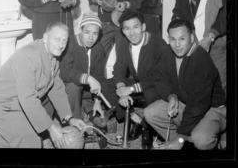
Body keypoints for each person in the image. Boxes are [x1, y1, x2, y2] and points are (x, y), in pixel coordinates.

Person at [0, 22, 86, 148]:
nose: (61, 45)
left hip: (16, 102)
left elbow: (56, 89)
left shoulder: (53, 58)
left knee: (6, 138)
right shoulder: (29, 55)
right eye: (57, 39)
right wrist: (51, 127)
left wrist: (69, 118)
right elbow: (28, 98)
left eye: (64, 40)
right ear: (46, 38)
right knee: (31, 141)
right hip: (1, 105)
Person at [144, 19, 226, 150]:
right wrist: (171, 96)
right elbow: (160, 78)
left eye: (182, 39)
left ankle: (195, 142)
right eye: (172, 39)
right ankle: (180, 144)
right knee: (150, 112)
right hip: (187, 105)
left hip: (212, 110)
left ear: (192, 37)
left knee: (201, 139)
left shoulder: (202, 59)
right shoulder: (168, 53)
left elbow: (199, 103)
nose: (177, 44)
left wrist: (181, 136)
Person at [101, 9, 167, 149]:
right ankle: (136, 119)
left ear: (143, 27)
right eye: (127, 28)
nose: (131, 33)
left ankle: (147, 128)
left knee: (151, 93)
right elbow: (118, 70)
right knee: (105, 86)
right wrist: (120, 89)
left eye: (136, 27)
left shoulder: (158, 44)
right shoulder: (124, 43)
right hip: (138, 83)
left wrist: (130, 89)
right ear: (122, 31)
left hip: (157, 84)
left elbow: (158, 78)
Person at [59, 13, 107, 129]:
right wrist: (87, 78)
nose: (91, 38)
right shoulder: (69, 43)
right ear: (80, 30)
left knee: (110, 87)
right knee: (74, 86)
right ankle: (75, 120)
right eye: (87, 32)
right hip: (68, 87)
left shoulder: (98, 48)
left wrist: (97, 101)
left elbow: (99, 76)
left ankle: (90, 109)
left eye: (95, 33)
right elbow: (64, 72)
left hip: (86, 90)